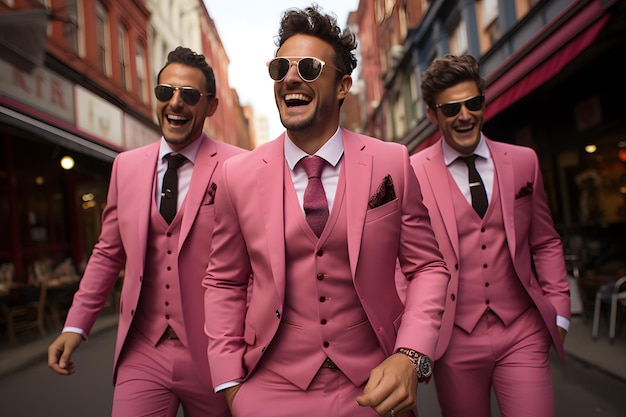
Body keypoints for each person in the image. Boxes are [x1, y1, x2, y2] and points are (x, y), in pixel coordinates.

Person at [202, 5, 450, 417]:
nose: (291, 77)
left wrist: (411, 355)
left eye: (311, 68)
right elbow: (224, 282)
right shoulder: (236, 176)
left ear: (342, 85)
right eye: (281, 67)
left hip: (375, 389)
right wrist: (232, 386)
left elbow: (427, 267)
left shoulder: (391, 162)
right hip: (271, 390)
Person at [47, 46, 246, 417]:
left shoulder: (239, 166)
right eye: (165, 92)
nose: (176, 104)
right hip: (142, 350)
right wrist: (76, 325)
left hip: (217, 353)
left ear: (211, 105)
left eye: (189, 95)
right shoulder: (125, 166)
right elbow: (108, 253)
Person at [409, 54, 571, 417]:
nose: (464, 115)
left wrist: (560, 312)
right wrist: (416, 340)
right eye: (451, 109)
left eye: (473, 103)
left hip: (522, 330)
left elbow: (545, 241)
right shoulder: (412, 171)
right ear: (433, 115)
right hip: (453, 341)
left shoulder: (524, 160)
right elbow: (404, 263)